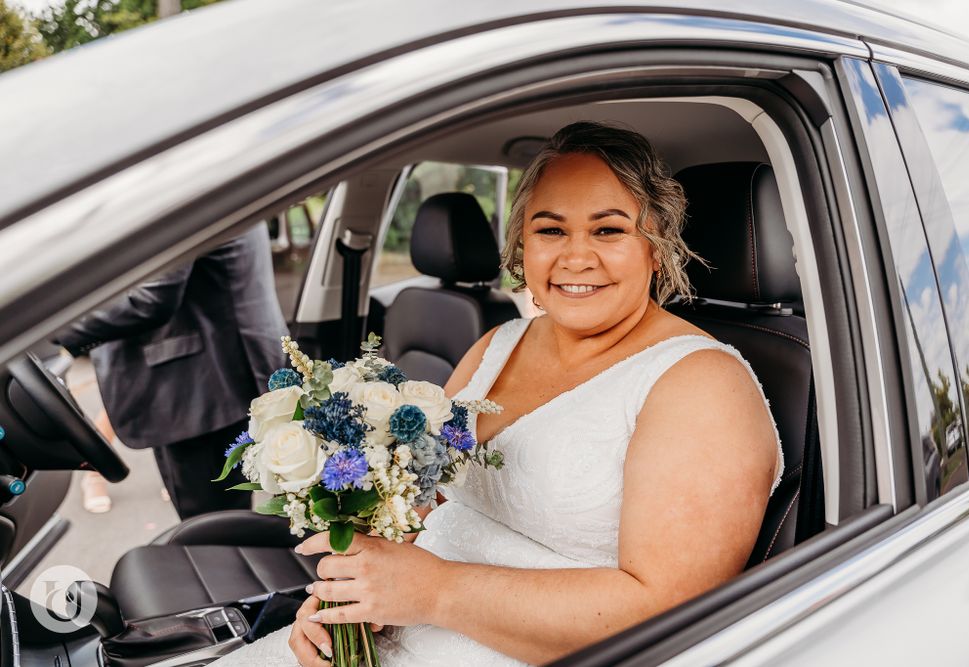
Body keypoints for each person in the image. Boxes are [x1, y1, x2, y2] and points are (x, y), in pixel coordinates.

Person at [216, 122, 783, 666]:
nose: (575, 257)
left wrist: (435, 592)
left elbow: (668, 622)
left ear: (655, 246)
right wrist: (347, 607)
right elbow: (423, 510)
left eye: (608, 230)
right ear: (522, 243)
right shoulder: (496, 345)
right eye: (551, 230)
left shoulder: (702, 386)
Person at [56, 223, 288, 520]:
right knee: (219, 516)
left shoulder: (183, 201)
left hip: (203, 387)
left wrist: (53, 331)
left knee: (211, 524)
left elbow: (151, 298)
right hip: (221, 374)